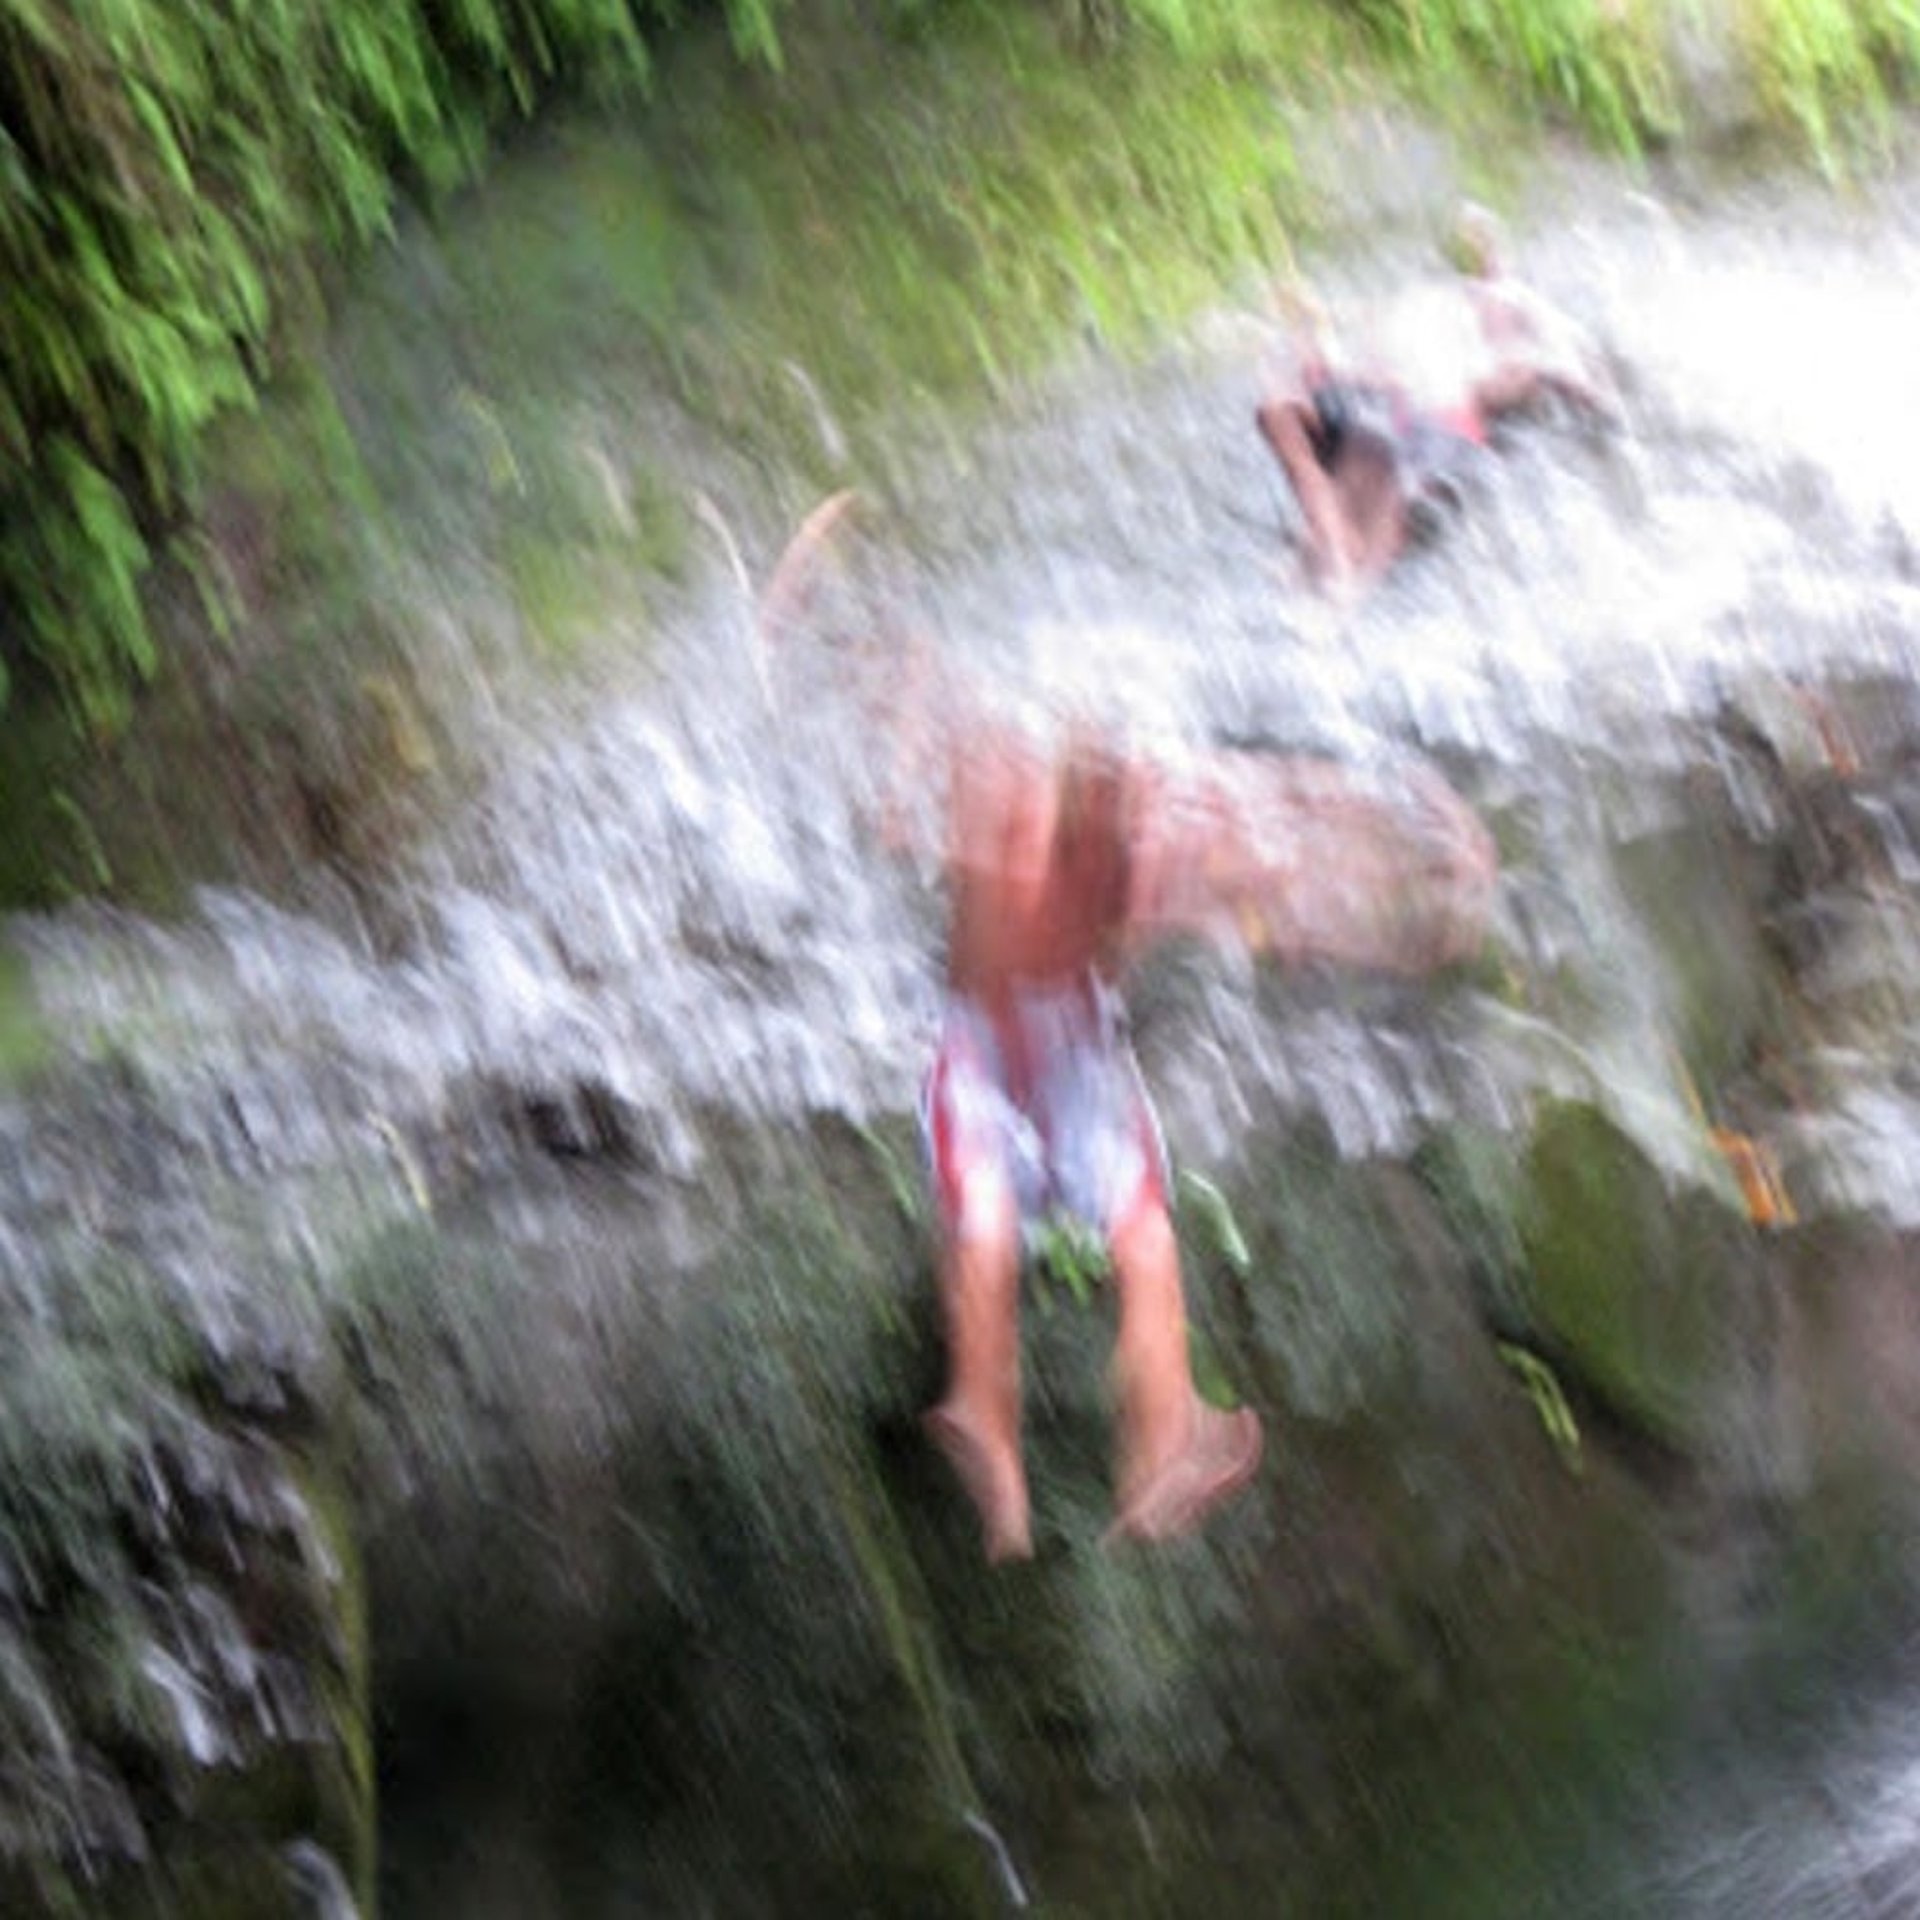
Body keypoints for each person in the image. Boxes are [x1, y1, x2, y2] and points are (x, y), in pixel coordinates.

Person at [917, 701, 1498, 1563]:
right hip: (1018, 1055)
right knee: (1048, 1228)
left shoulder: (1088, 821)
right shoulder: (1068, 813)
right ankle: (1039, 1424)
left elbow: (1259, 843)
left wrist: (1378, 855)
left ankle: (1114, 1432)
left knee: (1084, 1228)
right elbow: (1261, 840)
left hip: (1044, 1053)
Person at [1256, 206, 1620, 598]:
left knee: (1374, 470)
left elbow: (1544, 375)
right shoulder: (1466, 307)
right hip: (1421, 421)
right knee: (1382, 471)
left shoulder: (1503, 307)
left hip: (1425, 423)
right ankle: (1335, 557)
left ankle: (1334, 558)